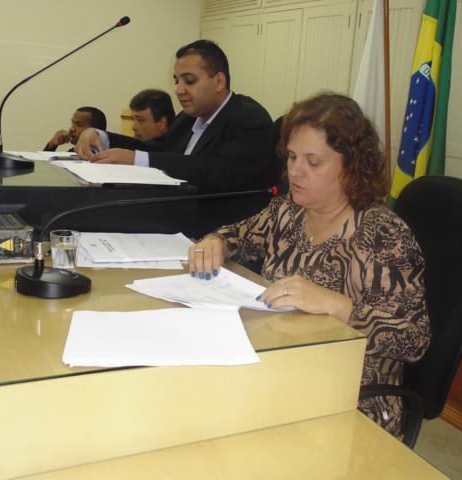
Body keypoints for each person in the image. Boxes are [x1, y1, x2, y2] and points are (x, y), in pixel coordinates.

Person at [187, 93, 431, 437]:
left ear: (352, 167)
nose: (295, 171)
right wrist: (217, 241)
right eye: (291, 156)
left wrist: (335, 304)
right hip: (282, 368)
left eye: (313, 162)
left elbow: (414, 340)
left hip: (352, 399)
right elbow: (241, 233)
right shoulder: (289, 210)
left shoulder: (383, 234)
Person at [75, 40, 278, 193]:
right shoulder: (188, 117)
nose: (179, 90)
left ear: (219, 82)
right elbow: (156, 149)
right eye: (176, 81)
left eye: (189, 81)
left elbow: (214, 173)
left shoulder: (250, 119)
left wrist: (135, 159)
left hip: (217, 227)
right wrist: (101, 136)